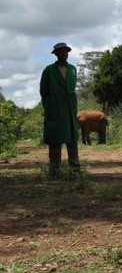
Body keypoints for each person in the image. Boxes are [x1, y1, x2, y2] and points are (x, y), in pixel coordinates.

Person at [40, 42, 80, 174]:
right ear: (56, 54)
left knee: (72, 138)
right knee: (55, 138)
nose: (64, 54)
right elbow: (43, 91)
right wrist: (49, 105)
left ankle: (75, 168)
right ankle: (54, 169)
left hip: (70, 108)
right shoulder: (49, 70)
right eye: (61, 52)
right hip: (55, 108)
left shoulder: (73, 69)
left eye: (66, 52)